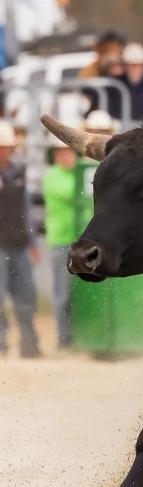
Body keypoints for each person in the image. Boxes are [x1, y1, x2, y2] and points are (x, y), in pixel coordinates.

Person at [0, 122, 40, 359]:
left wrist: (32, 242)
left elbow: (27, 209)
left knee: (27, 297)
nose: (4, 151)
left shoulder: (19, 172)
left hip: (20, 244)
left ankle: (29, 345)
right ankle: (1, 345)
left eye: (6, 147)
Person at [42, 138, 80, 351]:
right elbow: (73, 194)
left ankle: (79, 337)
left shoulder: (79, 175)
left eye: (69, 152)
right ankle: (64, 339)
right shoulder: (52, 177)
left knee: (78, 296)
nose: (66, 156)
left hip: (80, 243)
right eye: (61, 152)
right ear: (56, 156)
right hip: (62, 242)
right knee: (62, 295)